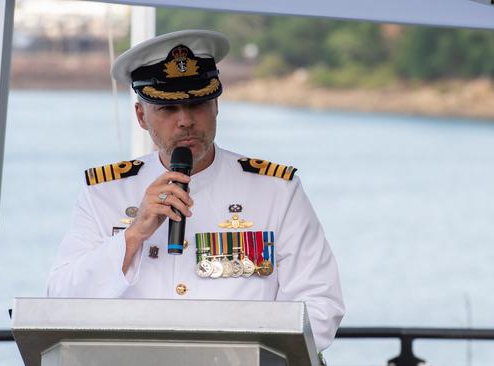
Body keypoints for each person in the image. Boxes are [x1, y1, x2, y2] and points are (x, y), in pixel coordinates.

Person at [47, 29, 345, 353]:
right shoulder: (104, 194)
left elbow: (319, 305)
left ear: (216, 104)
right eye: (167, 109)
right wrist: (133, 237)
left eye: (197, 104)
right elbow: (60, 301)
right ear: (141, 116)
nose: (186, 121)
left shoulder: (277, 191)